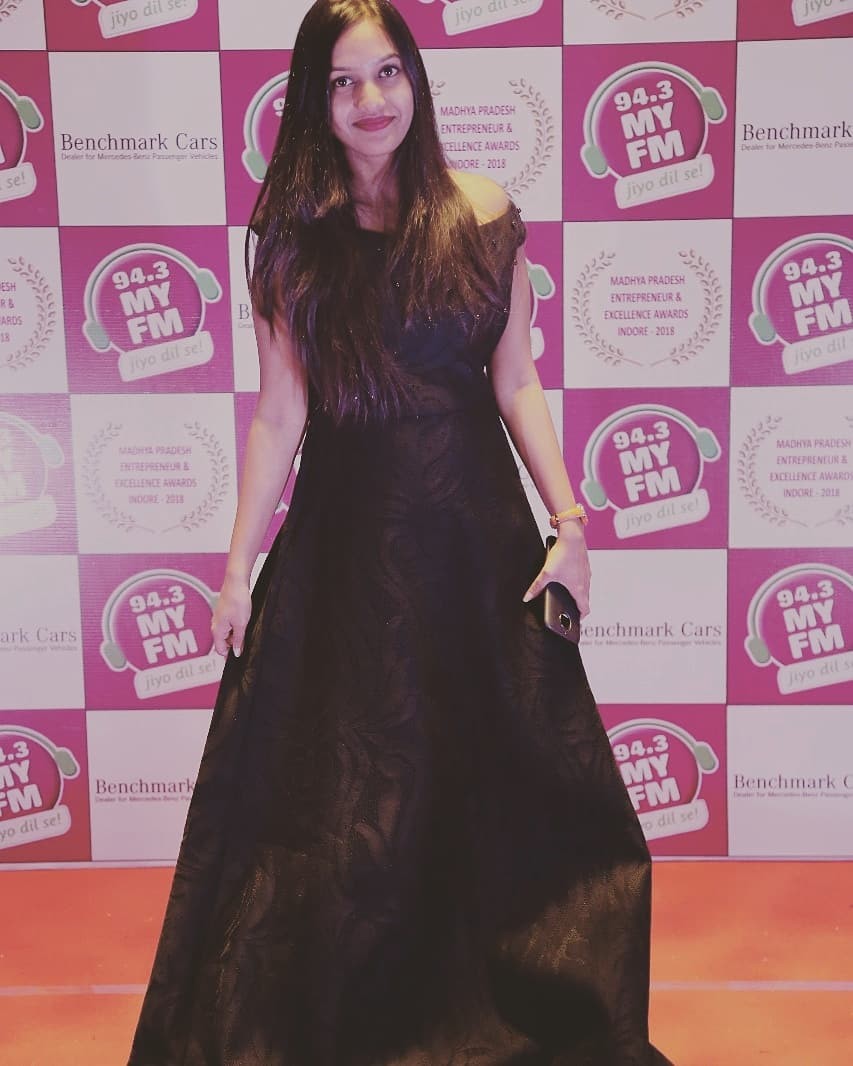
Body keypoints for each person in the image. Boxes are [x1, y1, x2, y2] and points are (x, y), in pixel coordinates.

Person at [128, 2, 673, 1063]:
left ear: (415, 80)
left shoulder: (485, 212)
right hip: (345, 555)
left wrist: (570, 523)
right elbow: (279, 413)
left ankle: (491, 1009)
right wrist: (236, 571)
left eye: (386, 73)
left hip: (475, 547)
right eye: (342, 82)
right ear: (314, 100)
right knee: (347, 808)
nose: (370, 100)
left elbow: (516, 379)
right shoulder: (290, 240)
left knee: (505, 784)